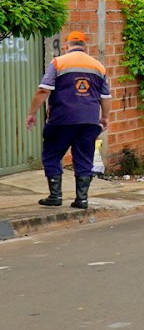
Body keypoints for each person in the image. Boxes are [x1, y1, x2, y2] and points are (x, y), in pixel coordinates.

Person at [25, 31, 111, 209]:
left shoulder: (58, 62)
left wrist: (32, 112)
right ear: (84, 47)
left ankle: (55, 196)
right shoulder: (98, 66)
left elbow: (43, 90)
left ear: (67, 45)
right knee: (84, 157)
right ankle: (82, 199)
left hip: (62, 119)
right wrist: (105, 117)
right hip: (89, 120)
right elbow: (106, 96)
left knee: (52, 154)